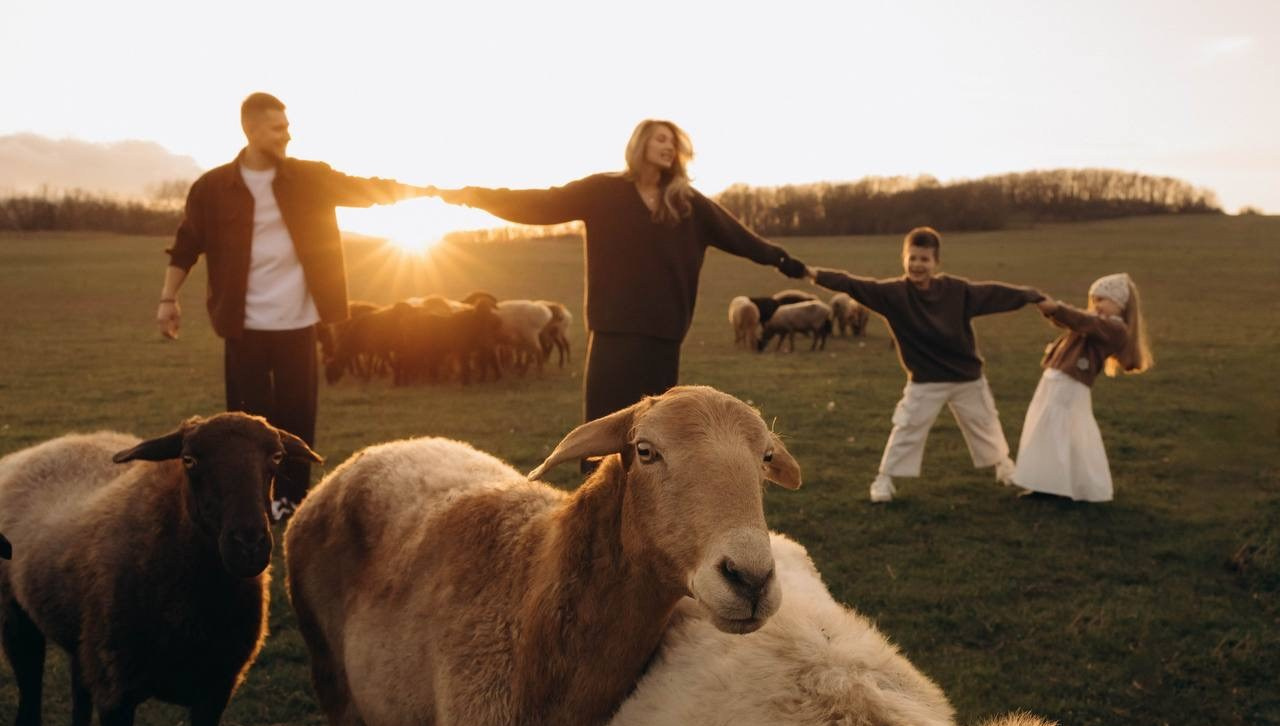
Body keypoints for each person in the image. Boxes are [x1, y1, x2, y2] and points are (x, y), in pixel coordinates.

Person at [430, 119, 808, 465]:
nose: (668, 147)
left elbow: (739, 236)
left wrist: (782, 260)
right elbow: (543, 202)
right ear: (640, 143)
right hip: (613, 329)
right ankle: (596, 507)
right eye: (660, 139)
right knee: (602, 430)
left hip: (663, 333)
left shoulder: (687, 203)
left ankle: (647, 518)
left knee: (654, 437)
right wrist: (474, 196)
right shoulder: (604, 191)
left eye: (673, 143)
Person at [158, 92, 433, 520]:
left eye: (287, 126)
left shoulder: (309, 178)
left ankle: (292, 503)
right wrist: (167, 299)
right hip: (242, 326)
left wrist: (427, 191)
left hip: (299, 323)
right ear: (250, 130)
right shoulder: (212, 188)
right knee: (247, 427)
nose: (287, 135)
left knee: (297, 419)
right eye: (277, 128)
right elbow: (185, 247)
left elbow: (367, 190)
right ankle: (252, 502)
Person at [808, 226, 1047, 502]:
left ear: (936, 262)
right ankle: (884, 480)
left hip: (967, 377)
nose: (917, 264)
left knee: (984, 422)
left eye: (924, 259)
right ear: (904, 259)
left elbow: (993, 293)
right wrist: (814, 274)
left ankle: (1003, 466)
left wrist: (1031, 295)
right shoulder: (893, 294)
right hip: (925, 380)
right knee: (907, 427)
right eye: (912, 258)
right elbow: (853, 284)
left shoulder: (956, 290)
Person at [1013, 272, 1152, 502]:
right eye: (1093, 300)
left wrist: (1055, 307)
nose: (1096, 306)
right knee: (1047, 431)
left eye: (1102, 300)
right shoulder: (1097, 323)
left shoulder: (1114, 329)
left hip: (1069, 383)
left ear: (1120, 304)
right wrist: (1048, 308)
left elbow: (1081, 320)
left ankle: (1057, 485)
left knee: (1059, 432)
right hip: (1056, 379)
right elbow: (1073, 320)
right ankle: (1046, 482)